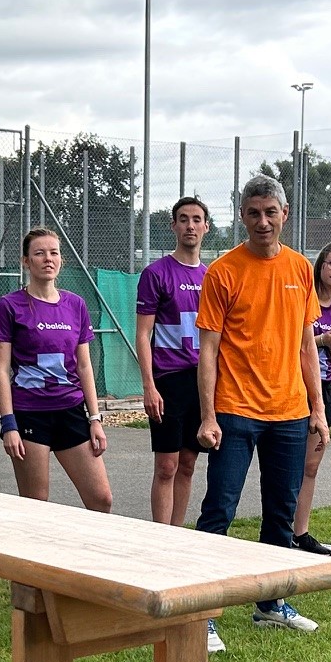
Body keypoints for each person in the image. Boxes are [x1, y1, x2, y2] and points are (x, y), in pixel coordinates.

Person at [194, 174, 330, 649]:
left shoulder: (299, 270)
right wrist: (208, 415)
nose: (262, 221)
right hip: (234, 410)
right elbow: (207, 350)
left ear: (285, 215)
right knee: (220, 509)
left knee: (281, 511)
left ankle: (271, 604)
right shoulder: (223, 272)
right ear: (242, 216)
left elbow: (305, 346)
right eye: (253, 213)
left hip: (290, 413)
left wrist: (317, 409)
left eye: (271, 212)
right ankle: (202, 612)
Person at [0, 229, 112, 511]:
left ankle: (88, 555)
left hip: (71, 412)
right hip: (30, 414)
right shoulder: (9, 306)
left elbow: (84, 366)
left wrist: (94, 419)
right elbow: (0, 369)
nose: (48, 259)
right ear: (25, 261)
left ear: (61, 260)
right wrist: (8, 424)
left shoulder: (75, 304)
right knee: (37, 506)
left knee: (101, 499)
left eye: (54, 252)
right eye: (39, 253)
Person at [136, 198, 210, 526]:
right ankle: (160, 537)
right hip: (168, 380)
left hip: (203, 380)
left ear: (206, 227)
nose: (190, 226)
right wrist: (149, 386)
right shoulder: (155, 274)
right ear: (173, 226)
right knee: (166, 466)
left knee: (189, 464)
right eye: (183, 219)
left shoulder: (213, 276)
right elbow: (143, 335)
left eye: (196, 219)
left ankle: (178, 535)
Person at [292, 240, 331, 559]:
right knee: (287, 465)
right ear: (320, 265)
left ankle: (300, 532)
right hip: (293, 386)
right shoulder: (302, 297)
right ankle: (280, 527)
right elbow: (290, 342)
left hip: (324, 390)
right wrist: (320, 339)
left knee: (310, 467)